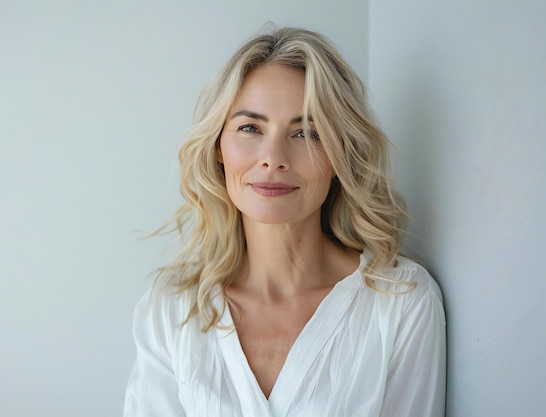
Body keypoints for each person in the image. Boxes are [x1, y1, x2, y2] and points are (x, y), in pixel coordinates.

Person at [124, 27, 446, 417]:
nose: (273, 157)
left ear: (340, 153)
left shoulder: (402, 302)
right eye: (250, 128)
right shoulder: (171, 309)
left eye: (307, 132)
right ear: (218, 147)